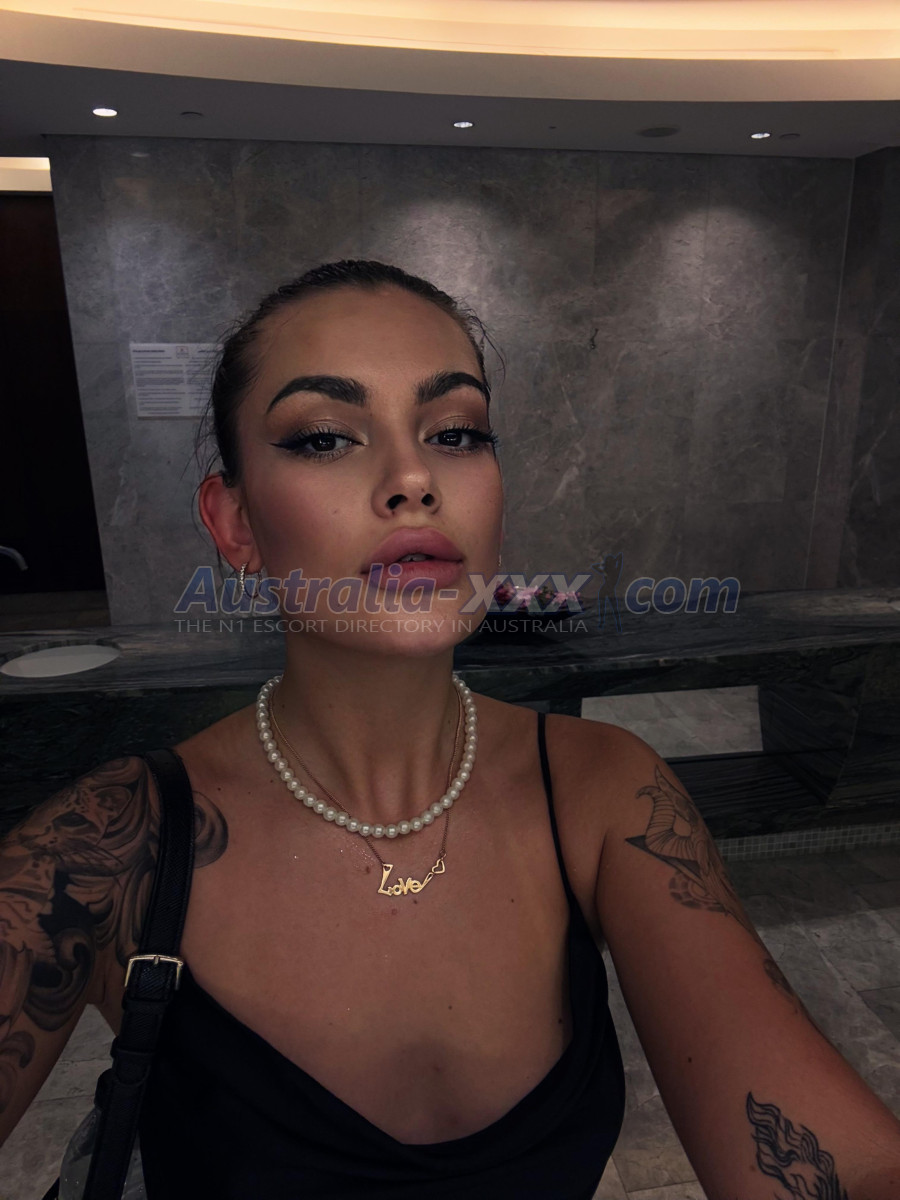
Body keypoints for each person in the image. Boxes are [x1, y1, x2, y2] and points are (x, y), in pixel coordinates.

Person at [2, 259, 899, 1199]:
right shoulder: (106, 847)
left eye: (456, 432)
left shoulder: (605, 791)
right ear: (234, 526)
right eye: (324, 437)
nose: (413, 478)